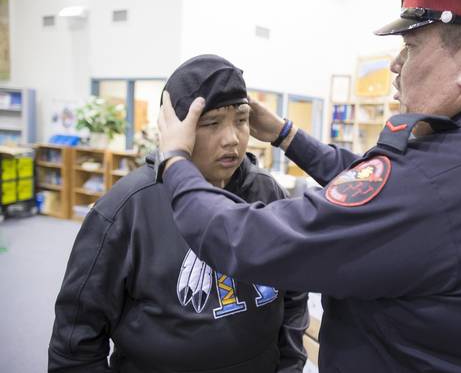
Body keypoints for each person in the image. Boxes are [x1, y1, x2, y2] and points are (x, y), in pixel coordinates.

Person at [156, 0, 461, 372]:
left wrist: (175, 161)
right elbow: (372, 187)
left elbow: (247, 241)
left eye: (411, 47)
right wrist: (287, 134)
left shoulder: (438, 184)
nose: (396, 65)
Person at [48, 55, 309, 373]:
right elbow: (76, 342)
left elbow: (294, 293)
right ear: (175, 130)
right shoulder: (125, 209)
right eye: (211, 123)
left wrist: (290, 366)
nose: (232, 139)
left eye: (241, 120)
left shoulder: (269, 193)